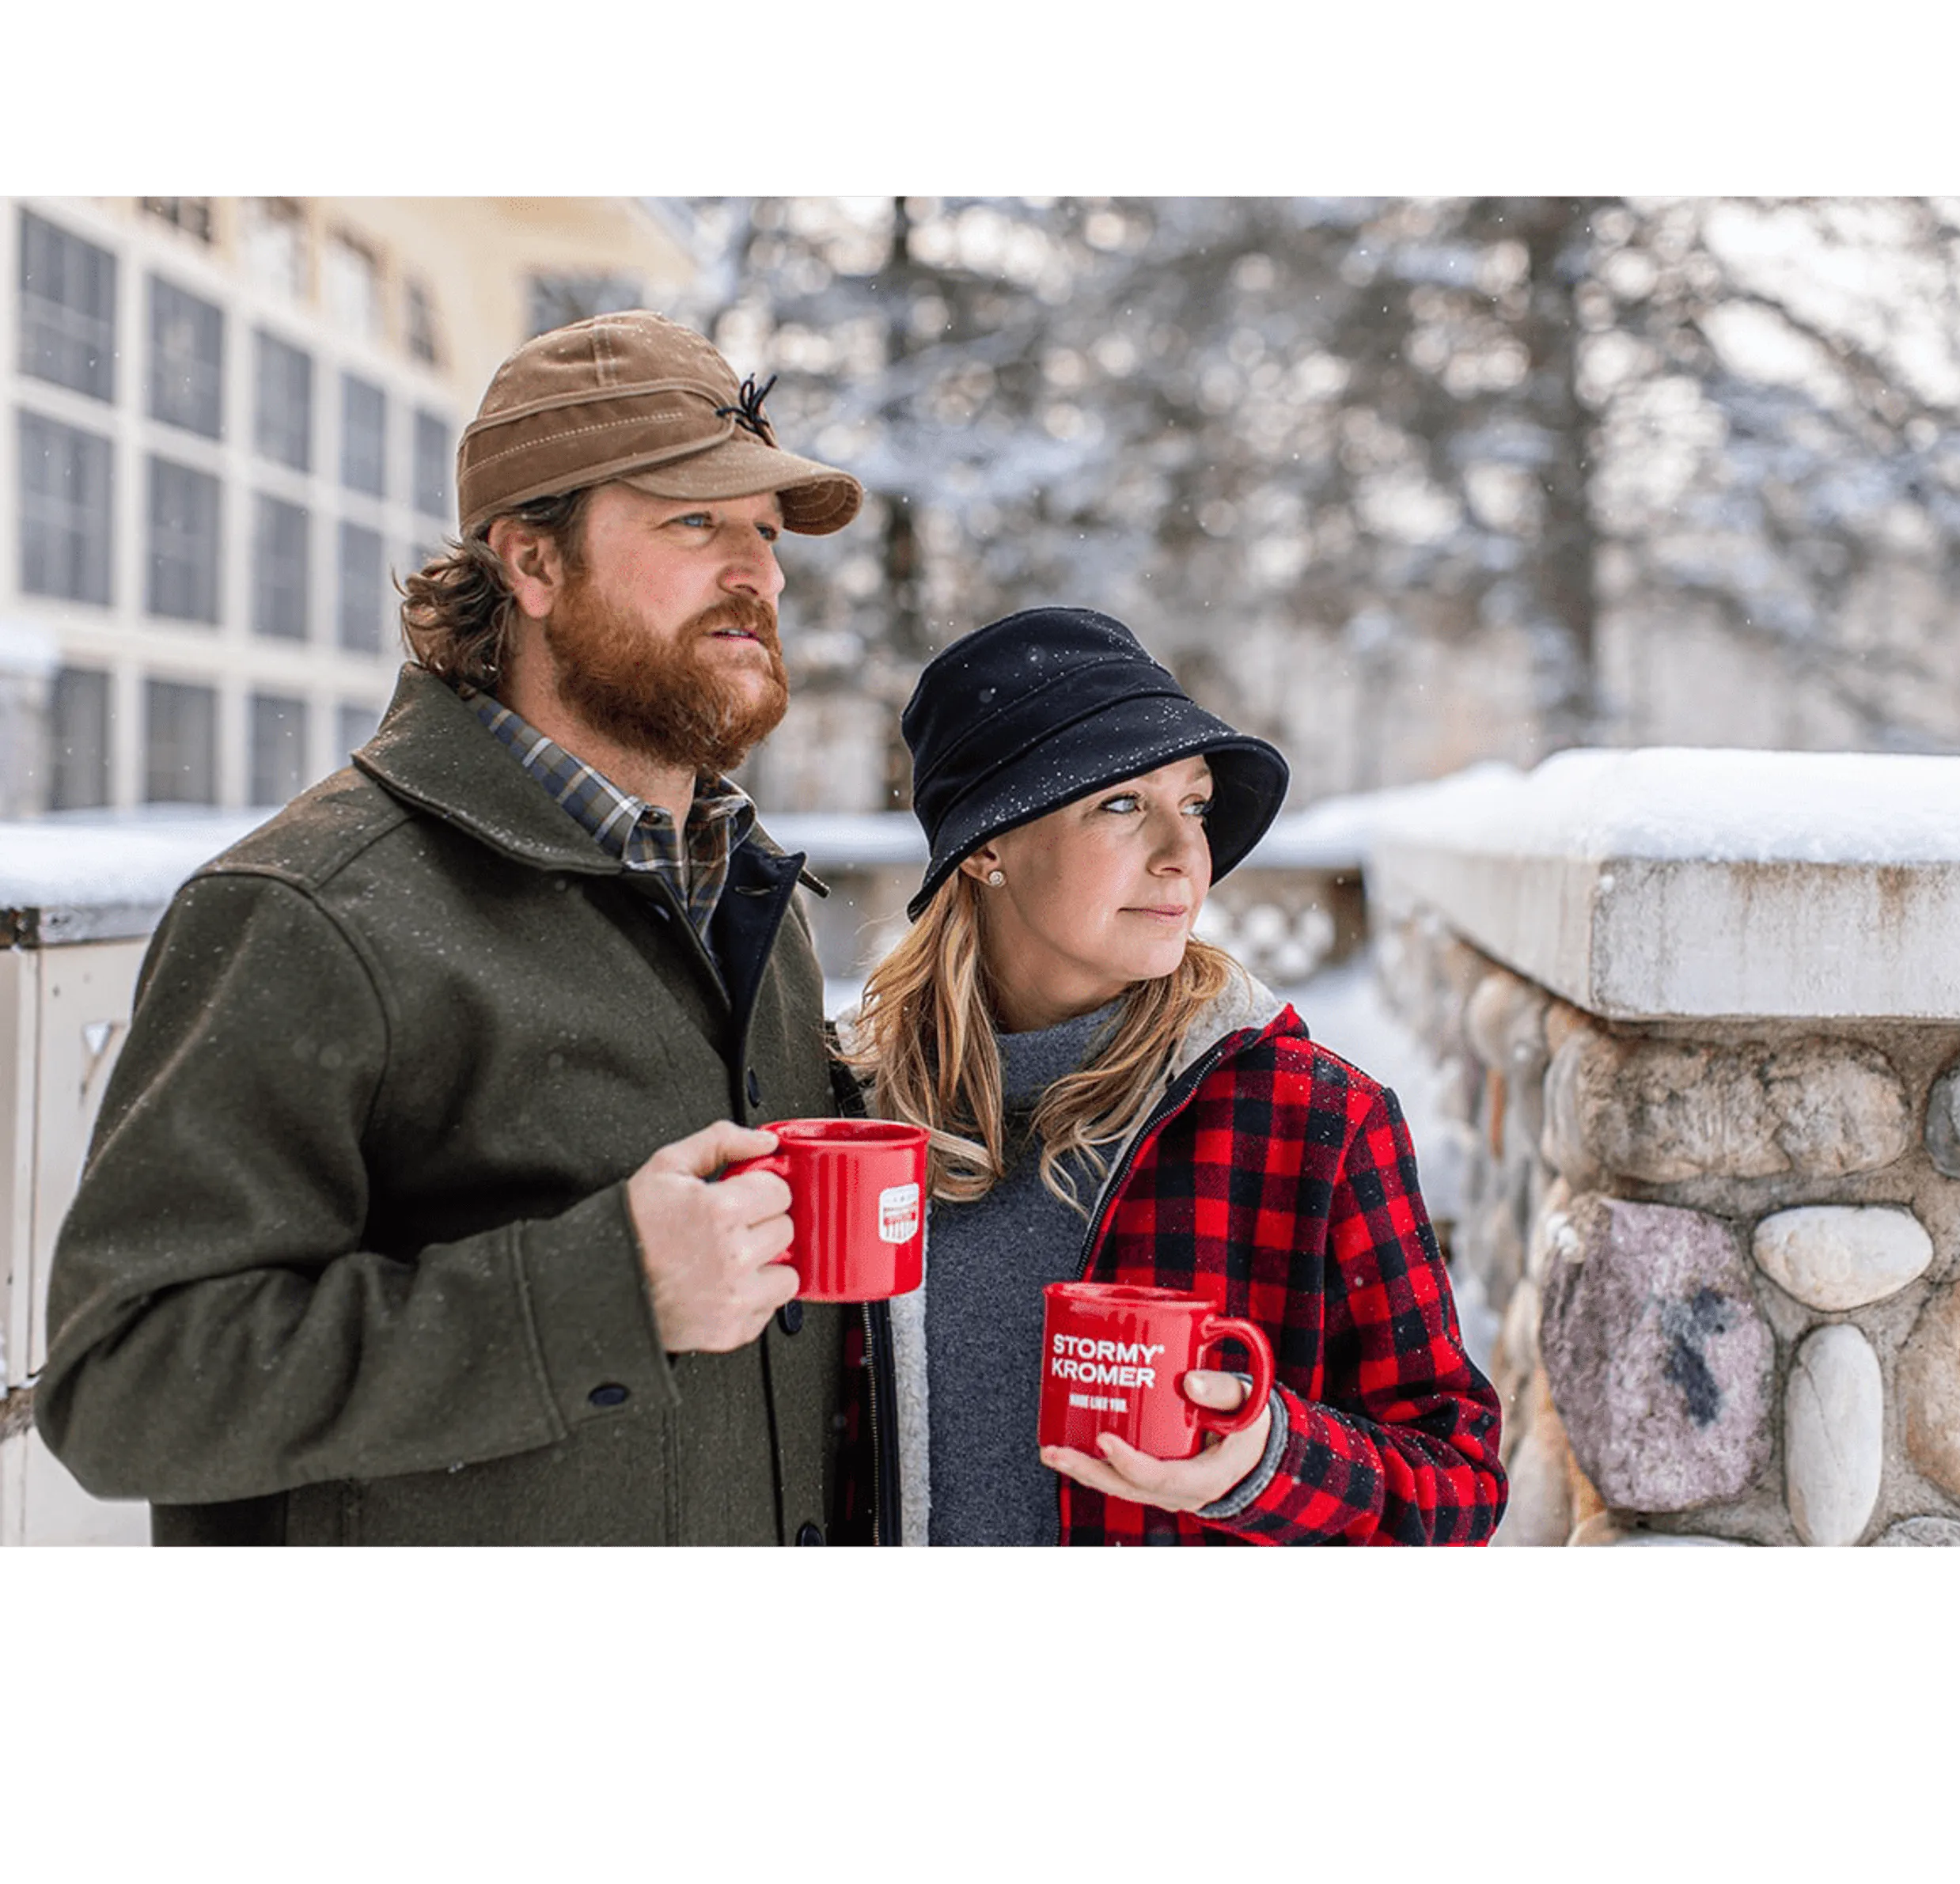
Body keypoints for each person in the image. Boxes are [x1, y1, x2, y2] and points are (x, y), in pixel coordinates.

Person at [35, 312, 889, 1548]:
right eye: (693, 520)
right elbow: (126, 1383)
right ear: (532, 564)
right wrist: (608, 1292)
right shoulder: (313, 910)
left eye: (763, 531)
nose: (755, 572)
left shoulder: (743, 895)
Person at [840, 607, 1507, 1546]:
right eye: (1120, 803)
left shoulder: (1311, 1119)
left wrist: (1267, 1459)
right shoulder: (844, 1118)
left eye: (1191, 804)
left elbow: (1459, 1483)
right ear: (987, 846)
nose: (1181, 853)